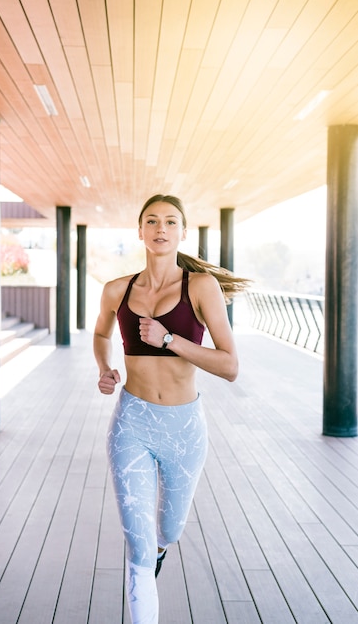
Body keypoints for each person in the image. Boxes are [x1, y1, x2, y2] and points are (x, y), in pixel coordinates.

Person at [93, 194, 248, 624]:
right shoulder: (116, 290)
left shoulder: (200, 288)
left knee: (169, 531)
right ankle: (146, 563)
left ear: (182, 232)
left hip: (184, 429)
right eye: (152, 221)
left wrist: (170, 340)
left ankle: (160, 548)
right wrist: (105, 369)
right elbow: (102, 336)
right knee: (138, 548)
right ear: (139, 230)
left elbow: (231, 366)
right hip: (132, 424)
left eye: (171, 222)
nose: (161, 228)